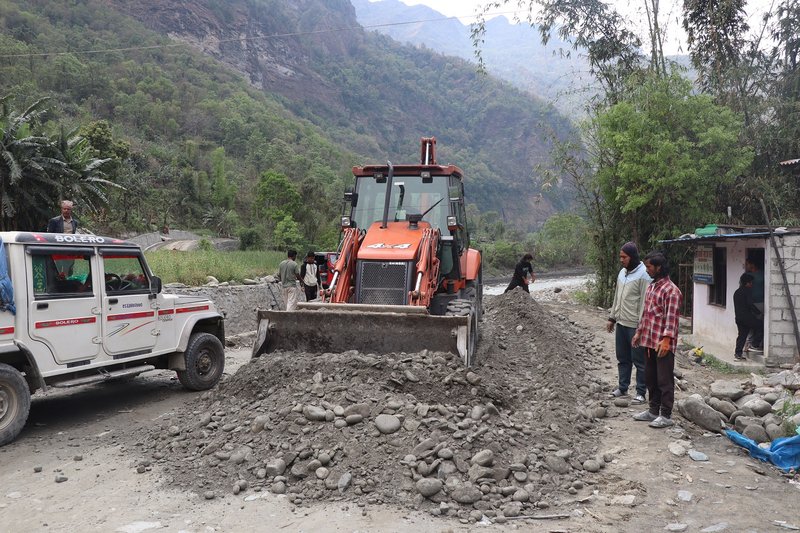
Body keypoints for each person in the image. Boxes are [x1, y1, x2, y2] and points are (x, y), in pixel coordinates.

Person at [632, 251, 683, 429]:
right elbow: (646, 315)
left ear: (659, 267)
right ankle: (653, 411)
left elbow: (671, 319)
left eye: (649, 267)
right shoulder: (652, 287)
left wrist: (667, 339)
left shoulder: (672, 291)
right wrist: (639, 333)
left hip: (662, 344)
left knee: (664, 380)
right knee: (650, 378)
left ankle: (666, 414)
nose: (647, 270)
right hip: (649, 341)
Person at [607, 242, 651, 404]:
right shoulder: (622, 273)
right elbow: (617, 296)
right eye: (620, 257)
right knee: (623, 358)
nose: (621, 260)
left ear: (632, 257)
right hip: (622, 323)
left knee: (639, 360)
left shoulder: (643, 275)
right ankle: (622, 387)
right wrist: (612, 317)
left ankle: (640, 392)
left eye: (624, 257)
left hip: (635, 325)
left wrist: (641, 327)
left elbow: (644, 303)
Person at [733, 273, 762, 360]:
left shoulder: (737, 292)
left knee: (742, 335)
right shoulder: (747, 291)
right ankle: (754, 344)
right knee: (761, 325)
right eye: (751, 283)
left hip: (738, 318)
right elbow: (750, 304)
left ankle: (738, 354)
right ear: (747, 283)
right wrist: (759, 313)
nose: (751, 285)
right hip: (747, 317)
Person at [744, 255, 764, 350]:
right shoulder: (747, 276)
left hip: (760, 303)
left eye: (747, 264)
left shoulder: (762, 274)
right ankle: (749, 343)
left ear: (752, 264)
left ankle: (755, 344)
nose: (746, 266)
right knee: (752, 324)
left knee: (758, 324)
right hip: (751, 303)